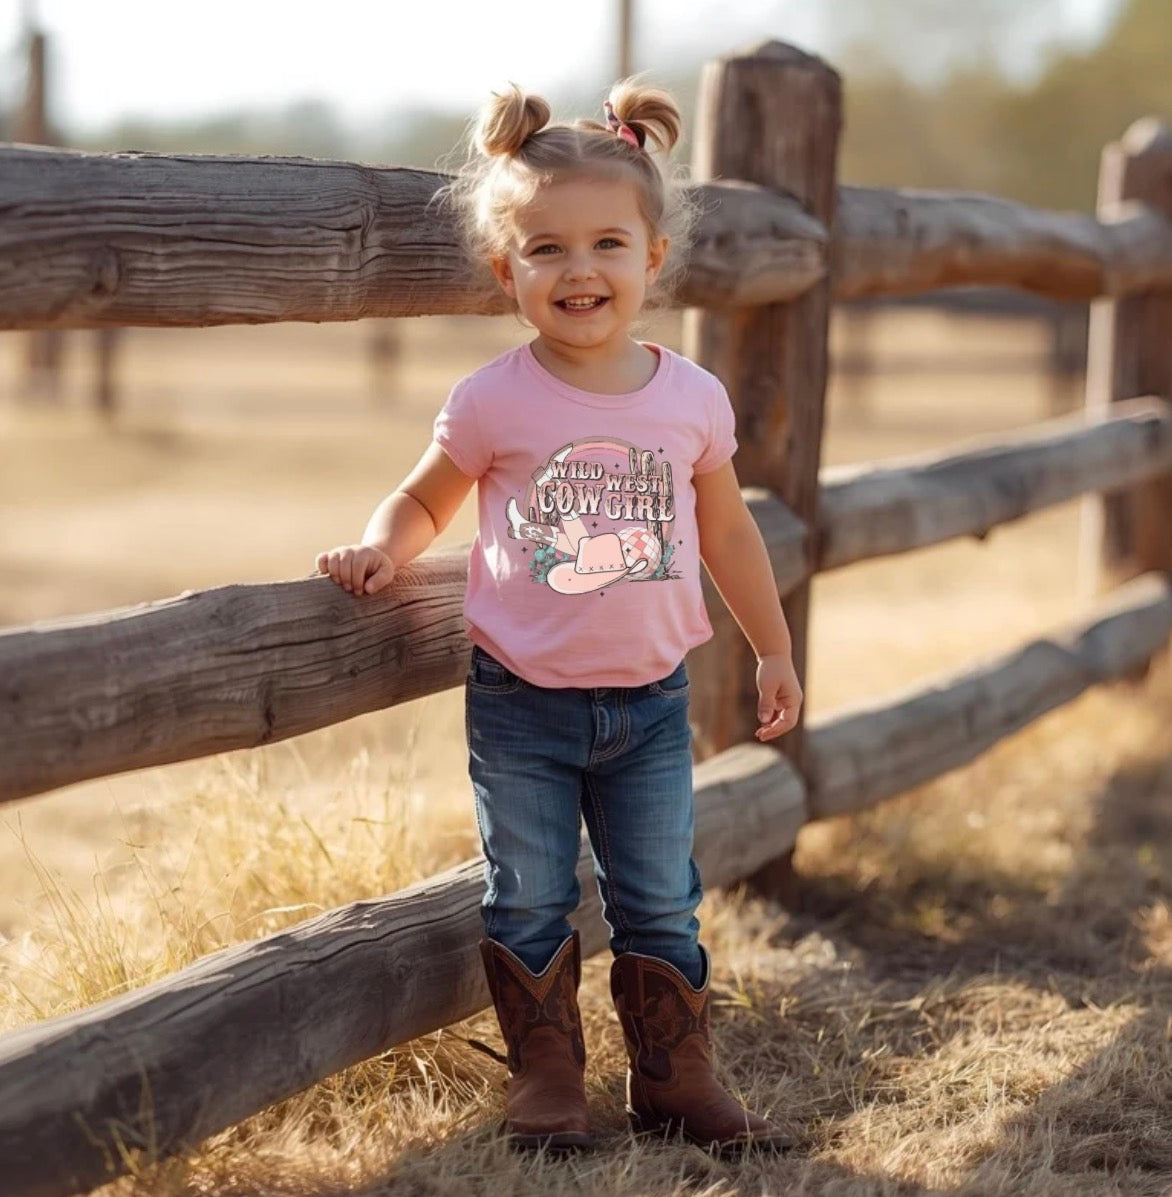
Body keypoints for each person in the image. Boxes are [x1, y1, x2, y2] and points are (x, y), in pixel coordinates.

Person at [315, 79, 803, 1155]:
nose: (578, 270)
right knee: (528, 895)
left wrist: (771, 647)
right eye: (544, 250)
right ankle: (547, 1077)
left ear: (652, 259)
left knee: (658, 901)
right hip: (522, 704)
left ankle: (675, 1077)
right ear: (507, 270)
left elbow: (726, 533)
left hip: (648, 702)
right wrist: (380, 549)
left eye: (606, 244)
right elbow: (426, 497)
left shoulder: (691, 399)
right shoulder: (495, 399)